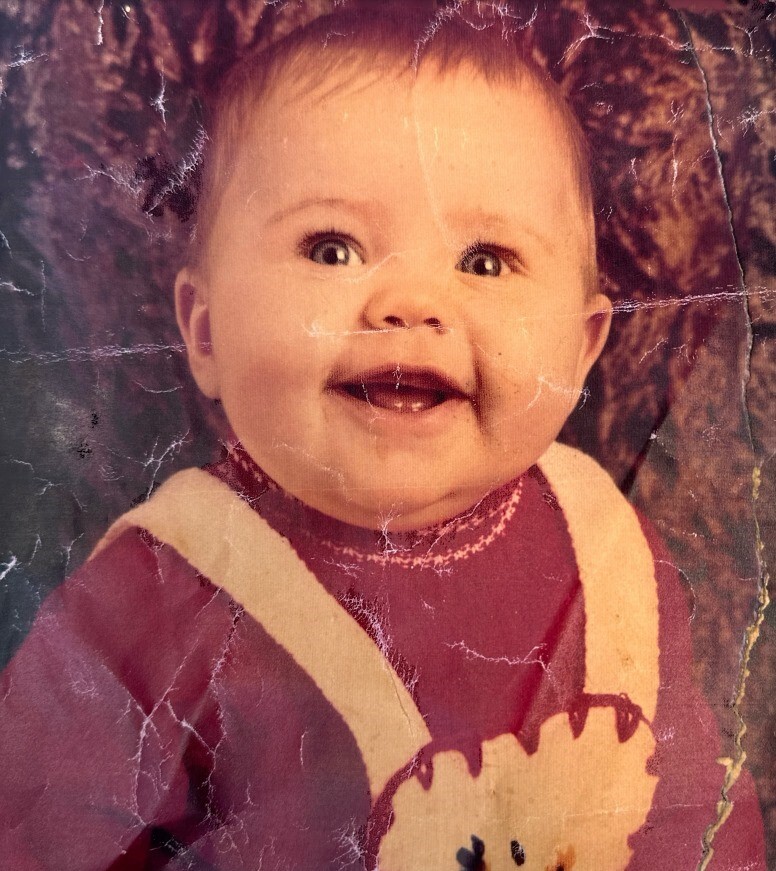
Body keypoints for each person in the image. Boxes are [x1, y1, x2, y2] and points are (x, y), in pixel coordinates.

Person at [0, 4, 766, 869]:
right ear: (205, 332)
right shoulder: (158, 592)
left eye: (484, 261)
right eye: (332, 249)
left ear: (583, 348)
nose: (409, 303)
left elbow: (703, 822)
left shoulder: (611, 550)